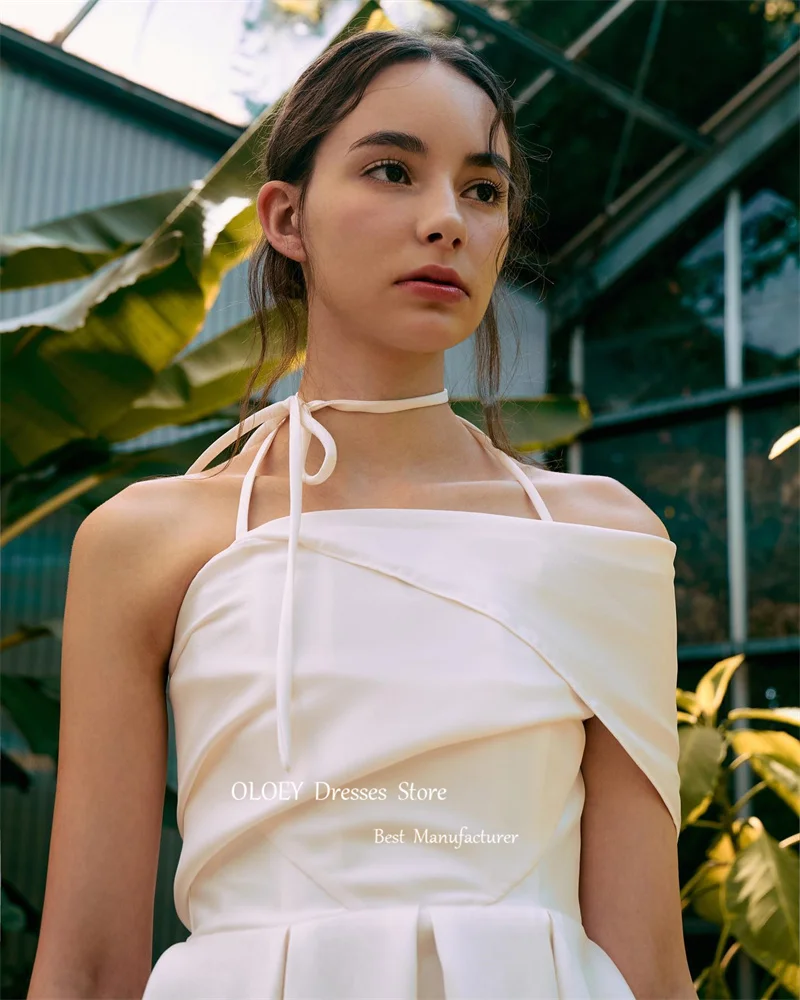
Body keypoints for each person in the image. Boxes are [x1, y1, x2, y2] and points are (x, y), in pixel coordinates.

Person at [27, 28, 696, 1000]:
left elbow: (646, 956)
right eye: (391, 170)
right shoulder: (147, 540)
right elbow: (86, 969)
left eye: (482, 188)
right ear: (285, 218)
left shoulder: (600, 537)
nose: (445, 221)